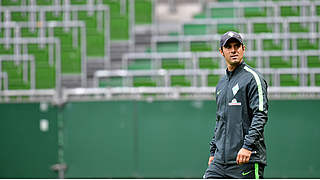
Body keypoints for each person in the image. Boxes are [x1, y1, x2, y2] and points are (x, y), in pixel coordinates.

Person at [203, 31, 269, 179]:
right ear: (221, 51)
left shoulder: (253, 79)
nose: (233, 50)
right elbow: (220, 120)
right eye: (228, 47)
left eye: (237, 46)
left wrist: (247, 147)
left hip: (245, 160)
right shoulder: (221, 84)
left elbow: (260, 115)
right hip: (220, 162)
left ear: (243, 49)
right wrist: (214, 152)